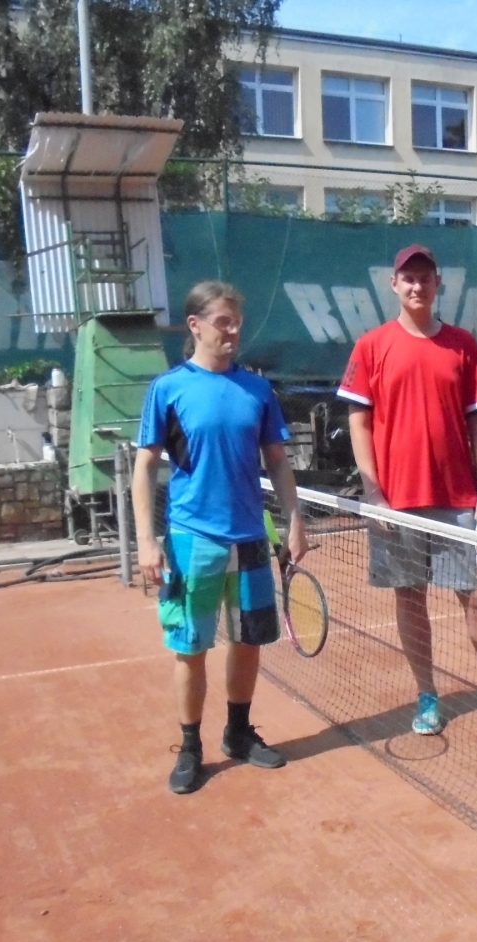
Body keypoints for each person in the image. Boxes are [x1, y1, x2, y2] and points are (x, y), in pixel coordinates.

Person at [339, 244, 477, 736]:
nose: (417, 285)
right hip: (395, 501)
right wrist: (373, 493)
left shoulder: (463, 345)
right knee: (410, 598)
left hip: (457, 497)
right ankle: (427, 696)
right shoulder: (371, 346)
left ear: (437, 284)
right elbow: (359, 422)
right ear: (394, 284)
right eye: (408, 278)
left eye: (425, 277)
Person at [133, 280, 309, 794]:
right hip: (192, 540)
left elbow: (278, 462)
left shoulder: (257, 390)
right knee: (191, 647)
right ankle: (191, 747)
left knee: (249, 642)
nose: (233, 332)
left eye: (237, 322)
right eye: (223, 322)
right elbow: (144, 467)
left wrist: (295, 520)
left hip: (250, 538)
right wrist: (147, 540)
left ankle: (238, 732)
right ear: (195, 326)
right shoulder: (168, 389)